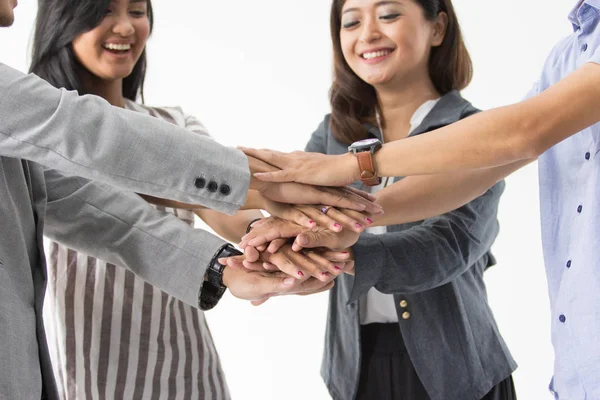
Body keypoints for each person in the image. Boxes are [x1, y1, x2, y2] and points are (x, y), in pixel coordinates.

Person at [0, 0, 381, 398]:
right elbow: (92, 138)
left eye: (137, 11)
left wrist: (242, 253)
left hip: (182, 357)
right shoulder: (42, 125)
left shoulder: (171, 125)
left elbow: (106, 215)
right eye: (102, 11)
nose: (125, 27)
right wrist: (272, 179)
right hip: (91, 359)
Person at [241, 1, 600, 398]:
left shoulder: (475, 130)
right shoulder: (332, 134)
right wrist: (278, 242)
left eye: (389, 14)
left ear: (438, 28)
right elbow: (301, 218)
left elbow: (451, 242)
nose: (368, 33)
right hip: (356, 368)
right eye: (351, 21)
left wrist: (346, 231)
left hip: (457, 368)